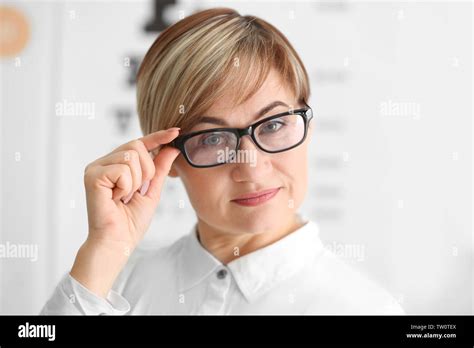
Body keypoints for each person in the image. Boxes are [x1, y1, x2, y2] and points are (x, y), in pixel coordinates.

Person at [40, 7, 404, 315]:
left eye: (274, 124)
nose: (250, 167)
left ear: (306, 126)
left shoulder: (364, 307)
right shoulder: (111, 284)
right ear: (166, 158)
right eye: (213, 138)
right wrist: (103, 249)